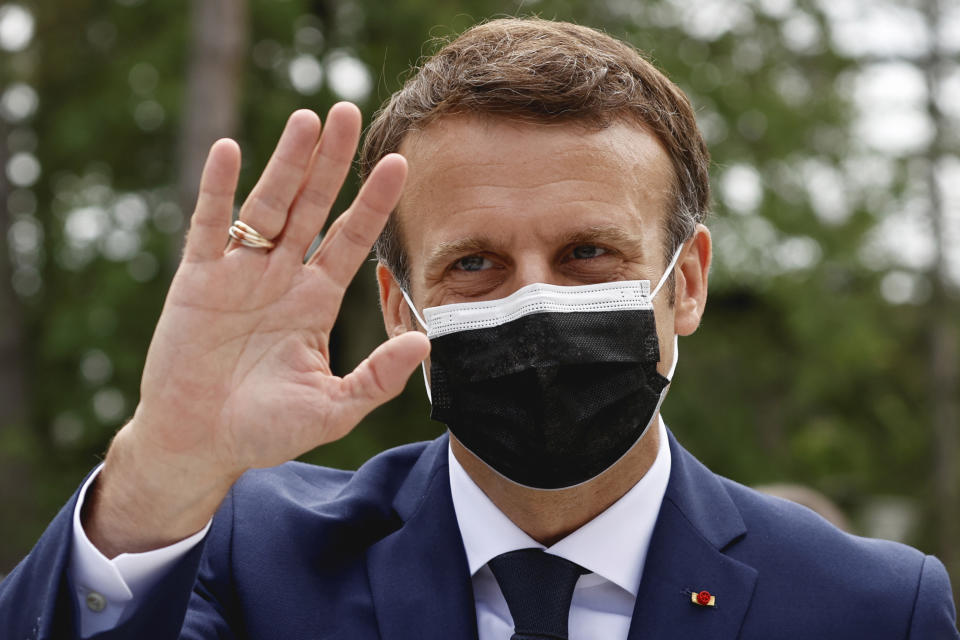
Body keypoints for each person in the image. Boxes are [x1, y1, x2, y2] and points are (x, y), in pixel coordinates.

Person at [1, 17, 957, 640]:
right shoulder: (254, 559)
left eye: (588, 254)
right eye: (475, 264)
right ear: (397, 304)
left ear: (687, 285)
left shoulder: (870, 608)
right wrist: (160, 469)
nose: (534, 302)